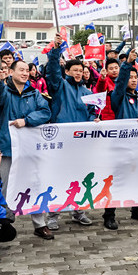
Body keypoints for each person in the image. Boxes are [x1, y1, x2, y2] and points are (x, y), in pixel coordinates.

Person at [0, 58, 52, 239]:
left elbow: (45, 112)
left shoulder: (34, 93)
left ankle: (40, 223)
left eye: (27, 70)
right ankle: (2, 222)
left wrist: (27, 120)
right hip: (6, 147)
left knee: (35, 184)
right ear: (11, 72)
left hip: (29, 148)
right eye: (21, 69)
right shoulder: (4, 90)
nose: (25, 73)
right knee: (3, 186)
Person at [41, 36, 98, 228]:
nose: (79, 73)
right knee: (58, 177)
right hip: (61, 140)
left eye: (81, 71)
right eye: (75, 70)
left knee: (81, 178)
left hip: (81, 143)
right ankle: (52, 216)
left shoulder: (87, 93)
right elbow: (52, 72)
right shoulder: (59, 87)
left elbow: (92, 113)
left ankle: (78, 211)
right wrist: (56, 49)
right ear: (67, 71)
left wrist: (93, 121)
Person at [103, 57, 138, 228]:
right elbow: (119, 84)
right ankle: (109, 214)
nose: (133, 80)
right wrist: (127, 64)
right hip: (121, 146)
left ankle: (137, 209)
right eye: (130, 77)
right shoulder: (118, 96)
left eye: (135, 77)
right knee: (116, 180)